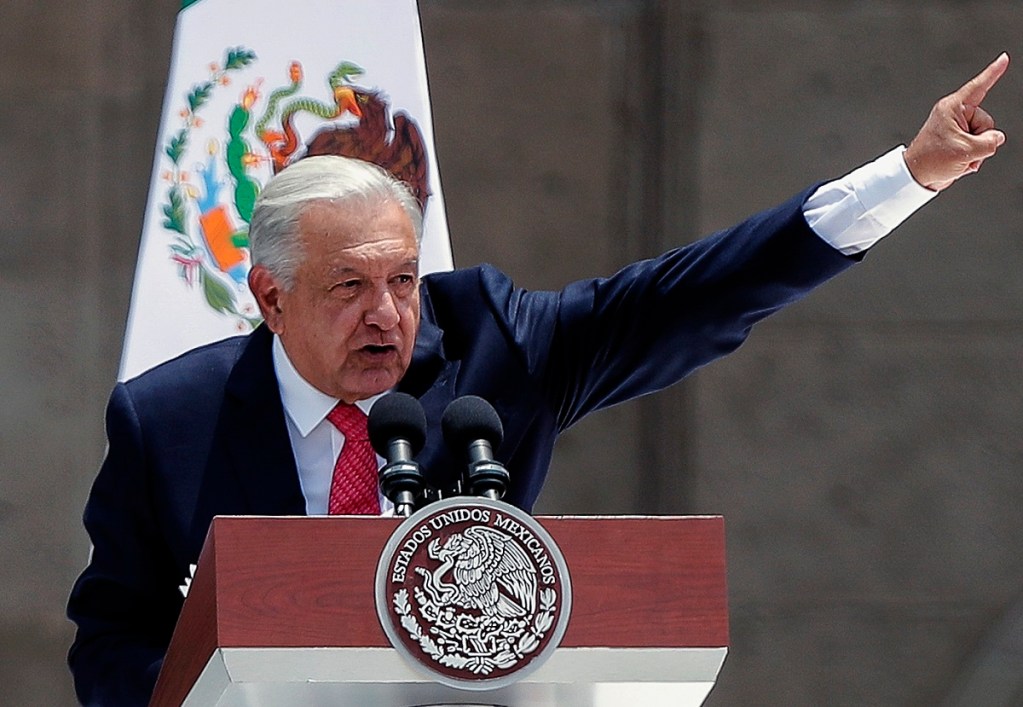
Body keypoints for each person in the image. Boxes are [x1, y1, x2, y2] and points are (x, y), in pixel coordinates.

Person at [67, 54, 1009, 705]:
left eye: (401, 280)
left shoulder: (489, 346)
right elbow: (112, 639)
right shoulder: (167, 421)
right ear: (270, 298)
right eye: (348, 288)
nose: (389, 314)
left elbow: (692, 297)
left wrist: (906, 177)